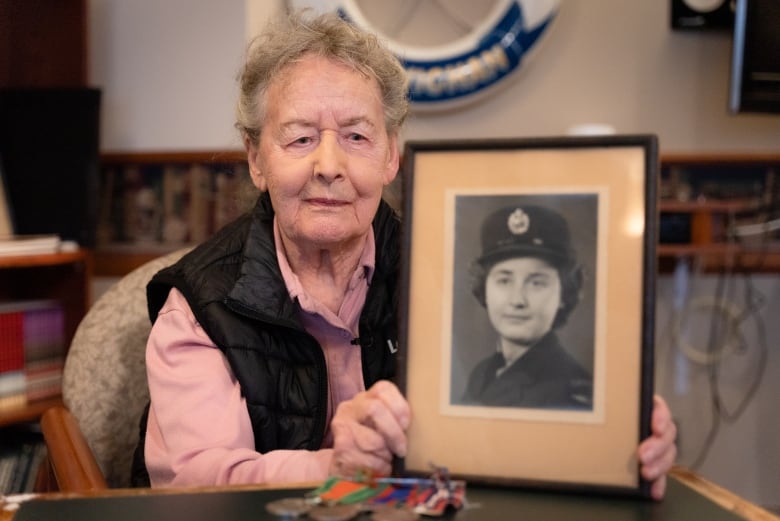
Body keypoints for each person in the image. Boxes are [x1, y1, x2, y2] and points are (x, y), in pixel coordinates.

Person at [131, 9, 677, 500]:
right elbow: (197, 482)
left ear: (392, 154)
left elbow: (510, 422)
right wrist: (336, 468)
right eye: (299, 139)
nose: (328, 165)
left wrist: (613, 437)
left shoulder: (447, 272)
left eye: (356, 137)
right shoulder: (201, 302)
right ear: (256, 159)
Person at [461, 204, 593, 409]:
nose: (518, 300)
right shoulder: (481, 374)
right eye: (504, 280)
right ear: (484, 288)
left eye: (536, 282)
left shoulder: (572, 394)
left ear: (564, 293)